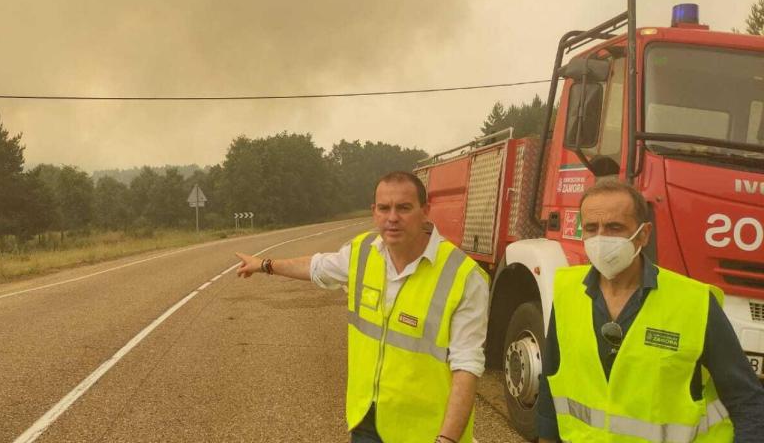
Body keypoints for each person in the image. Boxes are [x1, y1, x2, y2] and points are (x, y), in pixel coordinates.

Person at [236, 171, 489, 443]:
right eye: (384, 208)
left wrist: (447, 439)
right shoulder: (363, 252)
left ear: (425, 211)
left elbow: (467, 366)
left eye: (404, 208)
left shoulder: (463, 276)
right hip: (367, 421)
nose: (392, 217)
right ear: (374, 211)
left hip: (428, 433)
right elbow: (317, 266)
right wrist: (265, 265)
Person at [536, 179, 764, 442]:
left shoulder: (694, 302)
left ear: (643, 234)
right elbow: (550, 384)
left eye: (614, 227)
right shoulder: (567, 291)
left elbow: (747, 400)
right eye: (591, 228)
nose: (601, 239)